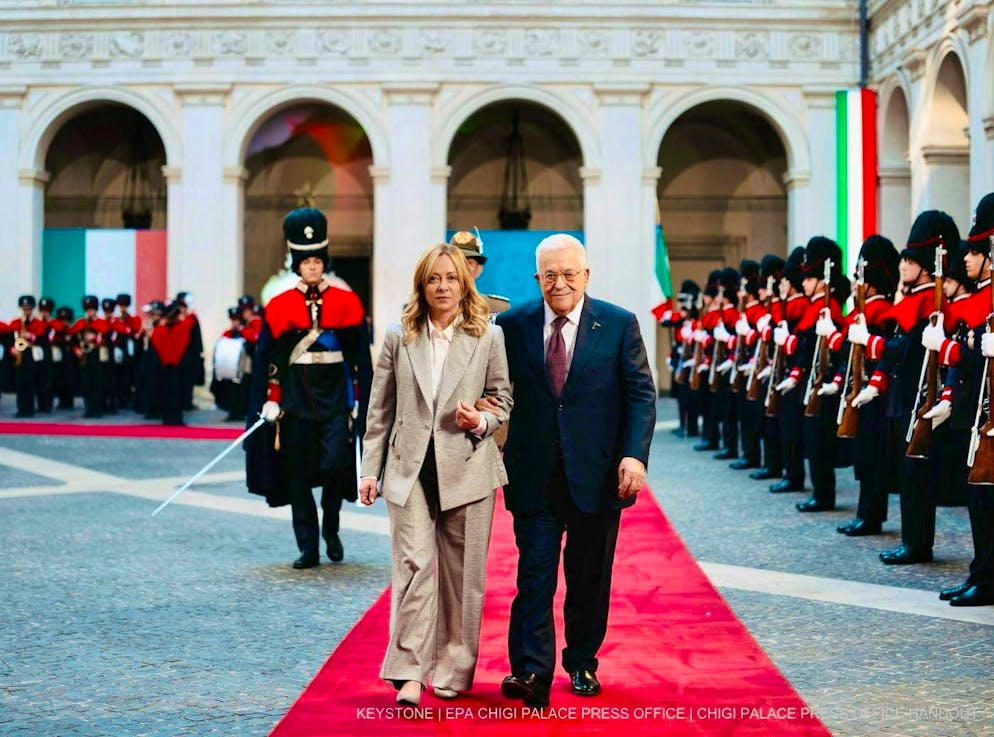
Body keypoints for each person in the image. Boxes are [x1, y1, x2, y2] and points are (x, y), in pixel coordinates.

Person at [490, 233, 656, 708]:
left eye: (568, 273)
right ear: (536, 278)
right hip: (534, 472)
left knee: (588, 576)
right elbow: (498, 389)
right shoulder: (512, 324)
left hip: (599, 474)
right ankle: (530, 671)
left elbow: (641, 395)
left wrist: (634, 455)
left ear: (586, 275)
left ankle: (581, 659)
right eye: (549, 275)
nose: (559, 283)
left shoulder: (619, 324)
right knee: (535, 575)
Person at [358, 242, 512, 706]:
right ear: (421, 286)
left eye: (450, 278)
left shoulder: (488, 335)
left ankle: (452, 669)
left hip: (468, 467)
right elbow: (378, 410)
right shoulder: (397, 335)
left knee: (464, 577)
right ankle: (408, 671)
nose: (442, 286)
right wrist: (369, 470)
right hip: (408, 471)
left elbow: (502, 400)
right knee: (414, 566)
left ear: (464, 283)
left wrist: (480, 421)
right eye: (433, 279)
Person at [253, 208, 373, 569]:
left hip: (335, 401)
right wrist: (272, 399)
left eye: (318, 261)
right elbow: (272, 359)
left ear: (324, 263)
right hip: (295, 402)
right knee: (298, 476)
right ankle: (308, 546)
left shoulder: (346, 301)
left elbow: (357, 359)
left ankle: (331, 527)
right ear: (298, 265)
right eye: (306, 262)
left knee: (336, 465)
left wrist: (358, 401)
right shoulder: (279, 305)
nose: (313, 267)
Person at [449, 230, 510, 317]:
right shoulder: (433, 305)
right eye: (456, 261)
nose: (461, 267)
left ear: (479, 269)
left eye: (468, 262)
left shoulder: (498, 307)